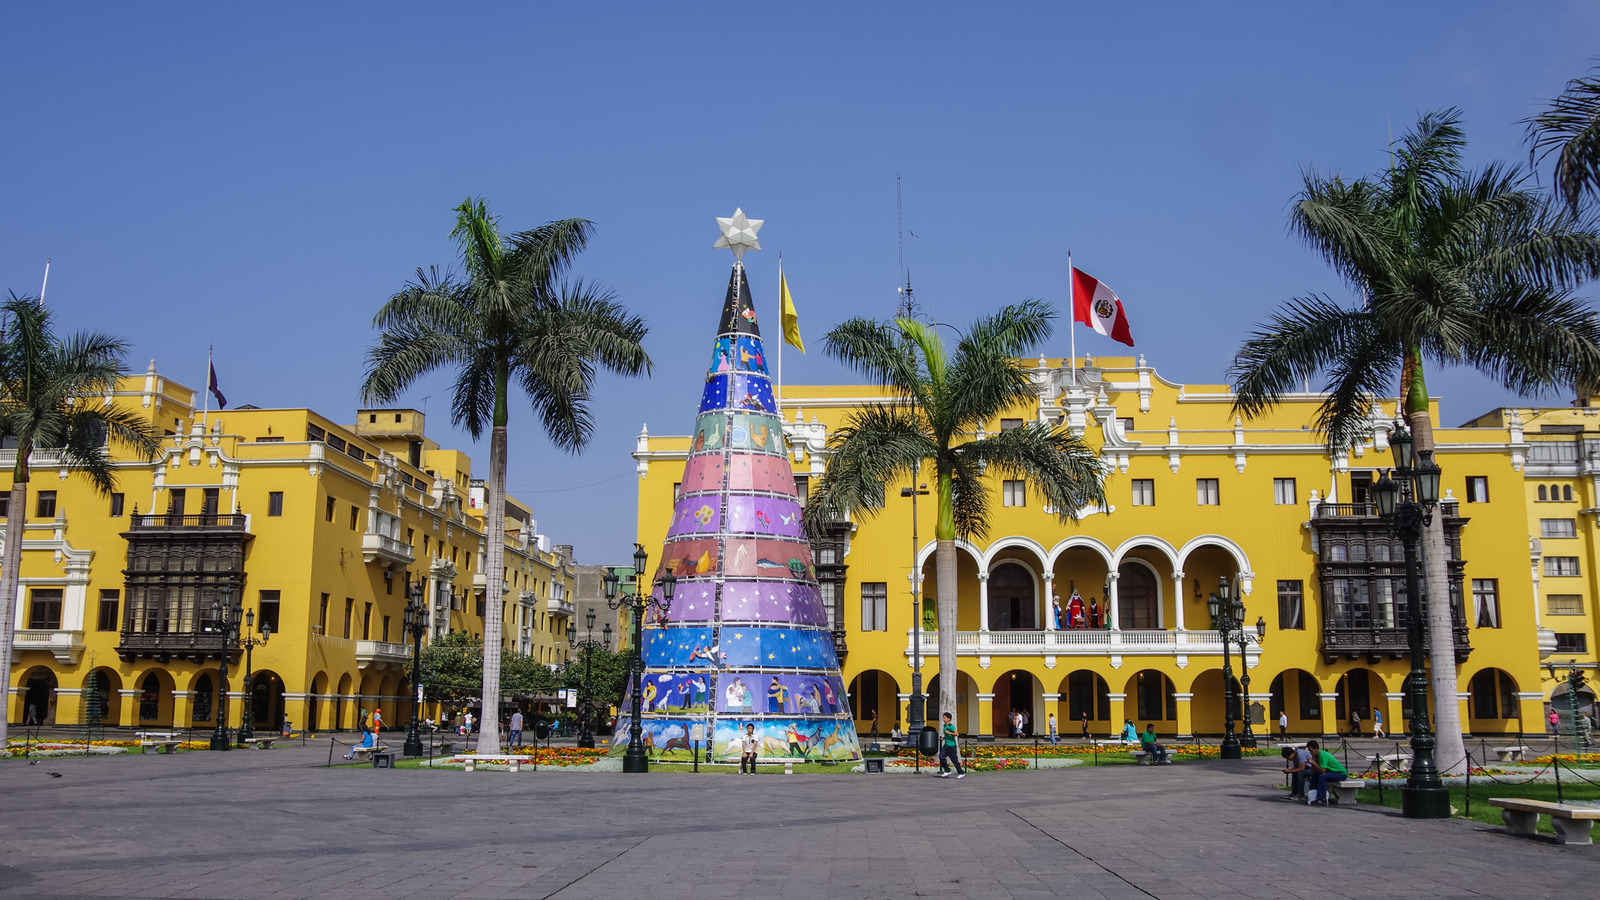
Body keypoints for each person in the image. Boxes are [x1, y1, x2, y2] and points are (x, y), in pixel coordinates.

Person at [1304, 739, 1348, 805]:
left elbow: (1323, 771)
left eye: (1311, 751)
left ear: (1317, 749)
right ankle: (1313, 796)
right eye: (1309, 751)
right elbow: (1314, 770)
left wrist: (1314, 763)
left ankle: (1321, 798)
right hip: (1331, 773)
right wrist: (1313, 763)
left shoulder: (1322, 756)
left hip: (1341, 774)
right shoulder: (1316, 756)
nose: (1310, 753)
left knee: (1322, 776)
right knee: (1315, 775)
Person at [937, 712, 965, 778]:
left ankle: (961, 772)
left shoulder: (951, 726)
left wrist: (948, 732)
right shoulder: (944, 726)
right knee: (941, 757)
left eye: (945, 718)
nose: (943, 719)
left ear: (949, 719)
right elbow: (947, 735)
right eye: (943, 717)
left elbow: (957, 734)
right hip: (946, 745)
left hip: (952, 746)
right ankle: (947, 770)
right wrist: (943, 738)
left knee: (954, 760)